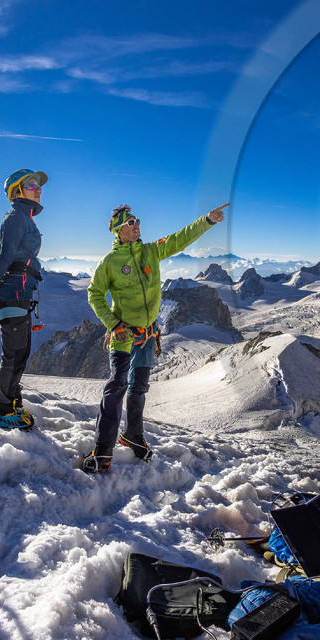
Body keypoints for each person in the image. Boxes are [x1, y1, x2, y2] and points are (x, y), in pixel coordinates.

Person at [80, 201, 229, 474]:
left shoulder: (150, 251)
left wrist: (207, 220)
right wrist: (112, 324)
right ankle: (103, 448)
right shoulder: (110, 263)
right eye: (131, 222)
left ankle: (132, 434)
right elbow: (94, 294)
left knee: (138, 387)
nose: (137, 225)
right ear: (118, 230)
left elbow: (179, 239)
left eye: (137, 220)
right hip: (124, 336)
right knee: (117, 387)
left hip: (147, 334)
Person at [0, 169, 47, 430]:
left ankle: (13, 402)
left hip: (20, 295)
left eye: (38, 186)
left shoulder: (24, 217)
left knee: (21, 353)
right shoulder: (15, 218)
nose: (38, 189)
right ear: (16, 191)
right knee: (13, 355)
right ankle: (5, 410)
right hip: (11, 294)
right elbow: (3, 259)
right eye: (32, 185)